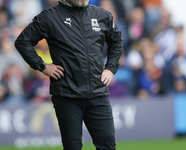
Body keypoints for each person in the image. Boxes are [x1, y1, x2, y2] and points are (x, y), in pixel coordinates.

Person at [15, 0, 123, 150]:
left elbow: (117, 41)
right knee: (72, 147)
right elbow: (22, 42)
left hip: (98, 94)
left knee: (107, 146)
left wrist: (110, 68)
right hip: (67, 95)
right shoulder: (49, 17)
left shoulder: (102, 15)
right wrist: (42, 66)